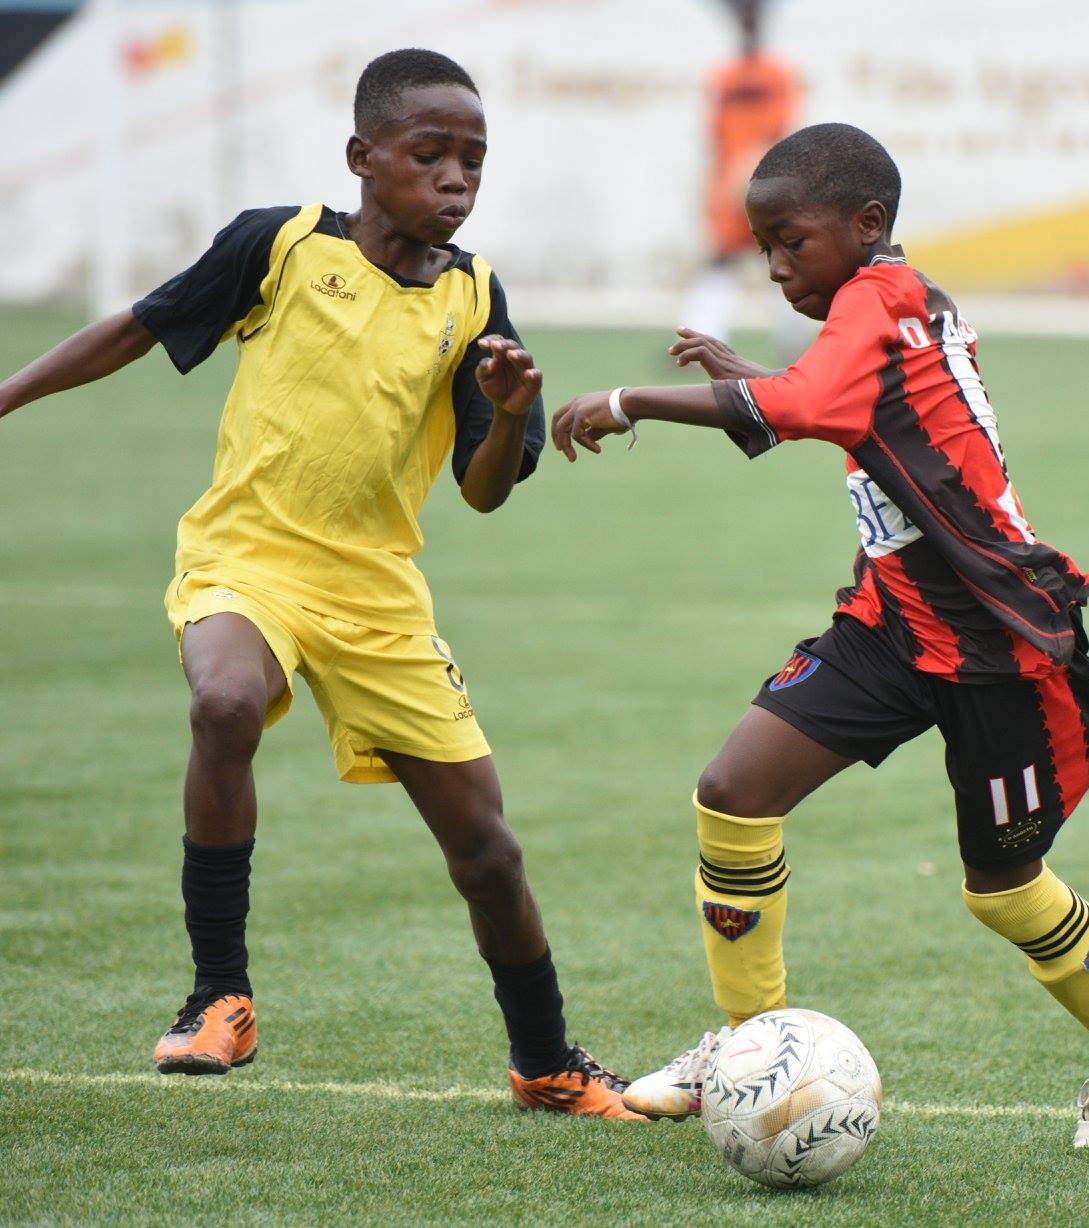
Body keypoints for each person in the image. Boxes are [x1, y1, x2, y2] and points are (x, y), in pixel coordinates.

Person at [0, 48, 639, 1117]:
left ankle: (547, 1063)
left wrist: (516, 407)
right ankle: (219, 995)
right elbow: (140, 326)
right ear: (362, 157)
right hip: (245, 557)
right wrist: (8, 394)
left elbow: (485, 495)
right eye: (429, 153)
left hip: (378, 596)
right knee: (224, 698)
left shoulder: (477, 299)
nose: (454, 178)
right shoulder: (281, 245)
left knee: (486, 848)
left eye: (473, 161)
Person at [551, 122, 1089, 1147]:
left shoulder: (878, 300)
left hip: (1001, 648)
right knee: (733, 792)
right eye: (763, 246)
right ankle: (749, 1036)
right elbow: (849, 418)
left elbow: (806, 404)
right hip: (892, 623)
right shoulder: (889, 300)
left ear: (867, 225)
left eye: (790, 241)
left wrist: (629, 399)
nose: (774, 265)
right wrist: (745, 373)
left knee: (1003, 891)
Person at [680, 0, 805, 355]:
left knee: (782, 257)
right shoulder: (724, 76)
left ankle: (792, 340)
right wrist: (720, 185)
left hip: (767, 181)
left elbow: (780, 131)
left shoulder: (777, 75)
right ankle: (699, 340)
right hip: (729, 189)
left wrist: (755, 172)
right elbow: (715, 137)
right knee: (721, 259)